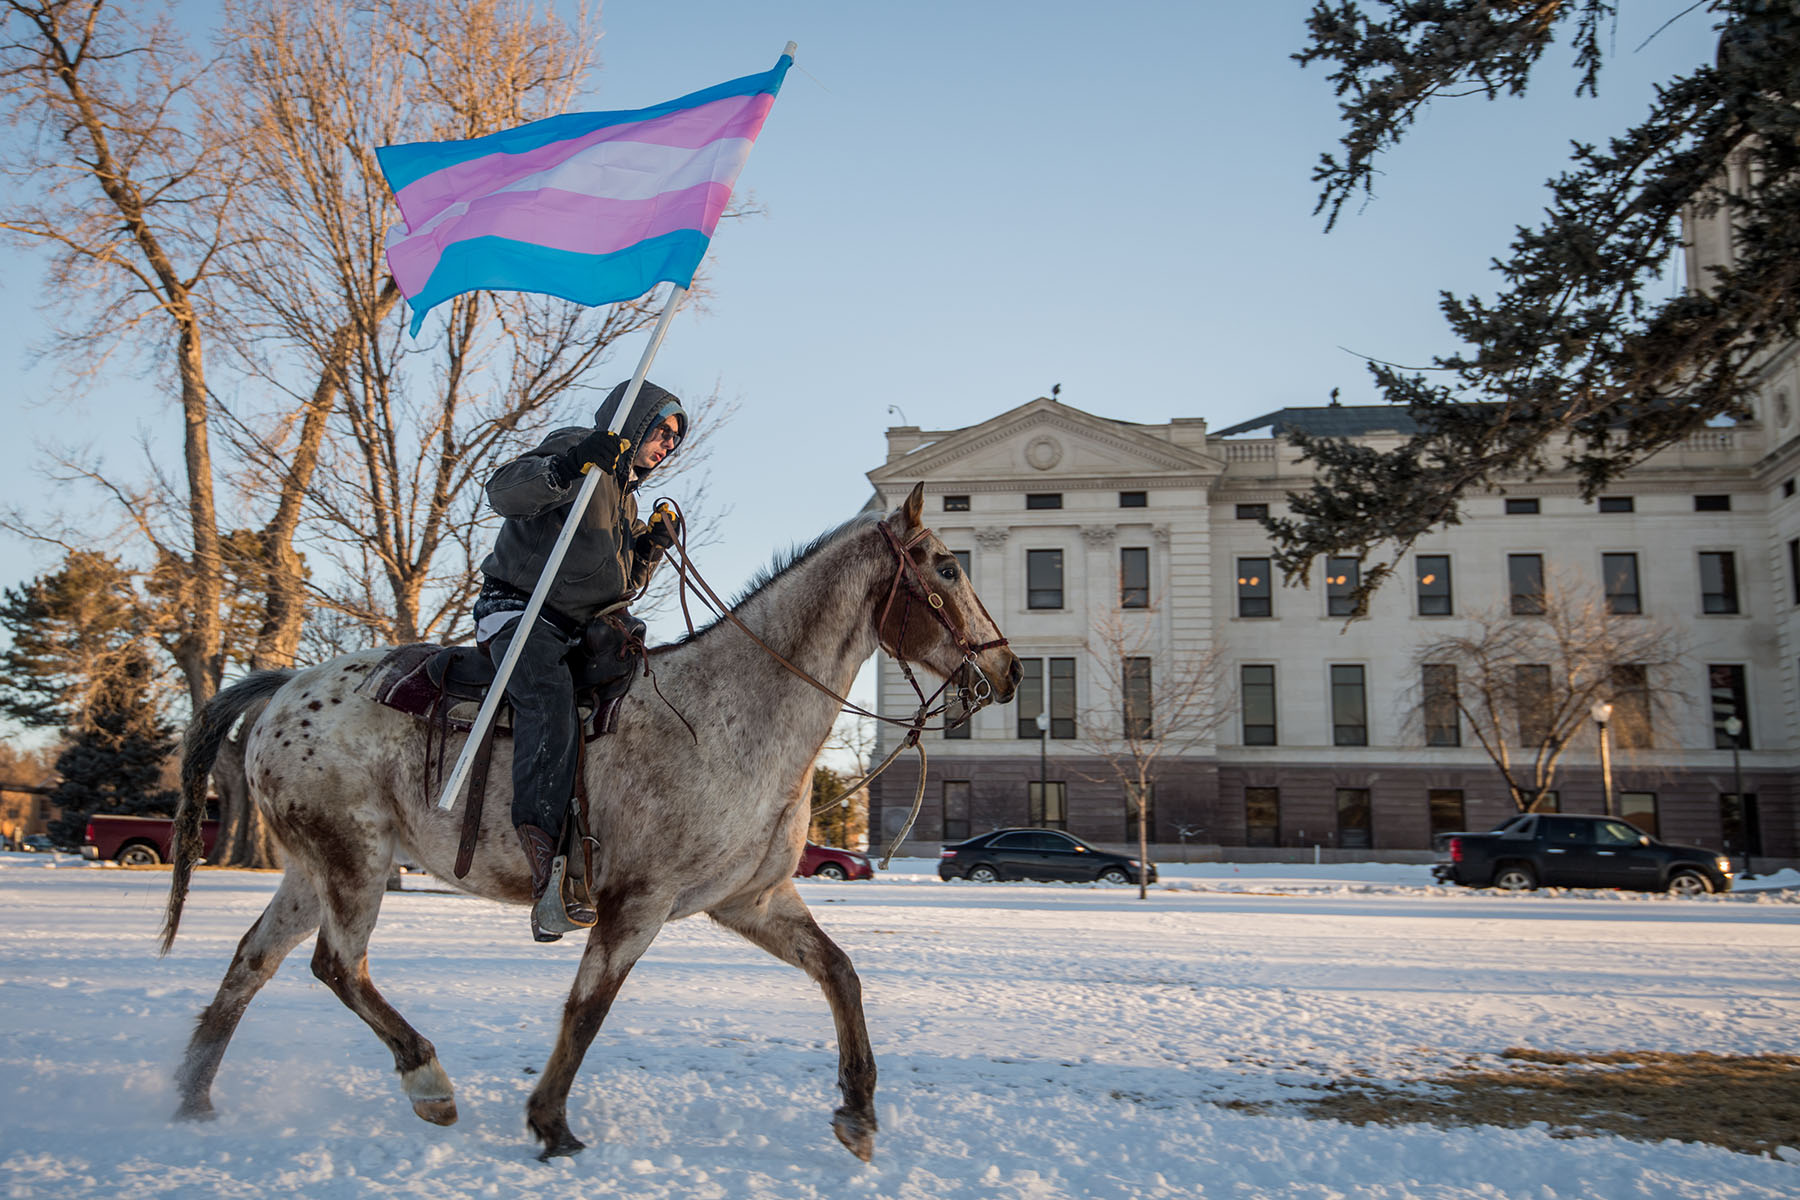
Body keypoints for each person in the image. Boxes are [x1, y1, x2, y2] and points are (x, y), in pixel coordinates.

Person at [473, 379, 686, 941]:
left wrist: (651, 549)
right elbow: (503, 493)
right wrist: (568, 466)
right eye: (661, 430)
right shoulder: (576, 447)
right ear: (634, 421)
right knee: (549, 701)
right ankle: (546, 874)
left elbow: (617, 588)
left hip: (577, 628)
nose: (666, 445)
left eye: (674, 440)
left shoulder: (628, 499)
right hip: (520, 612)